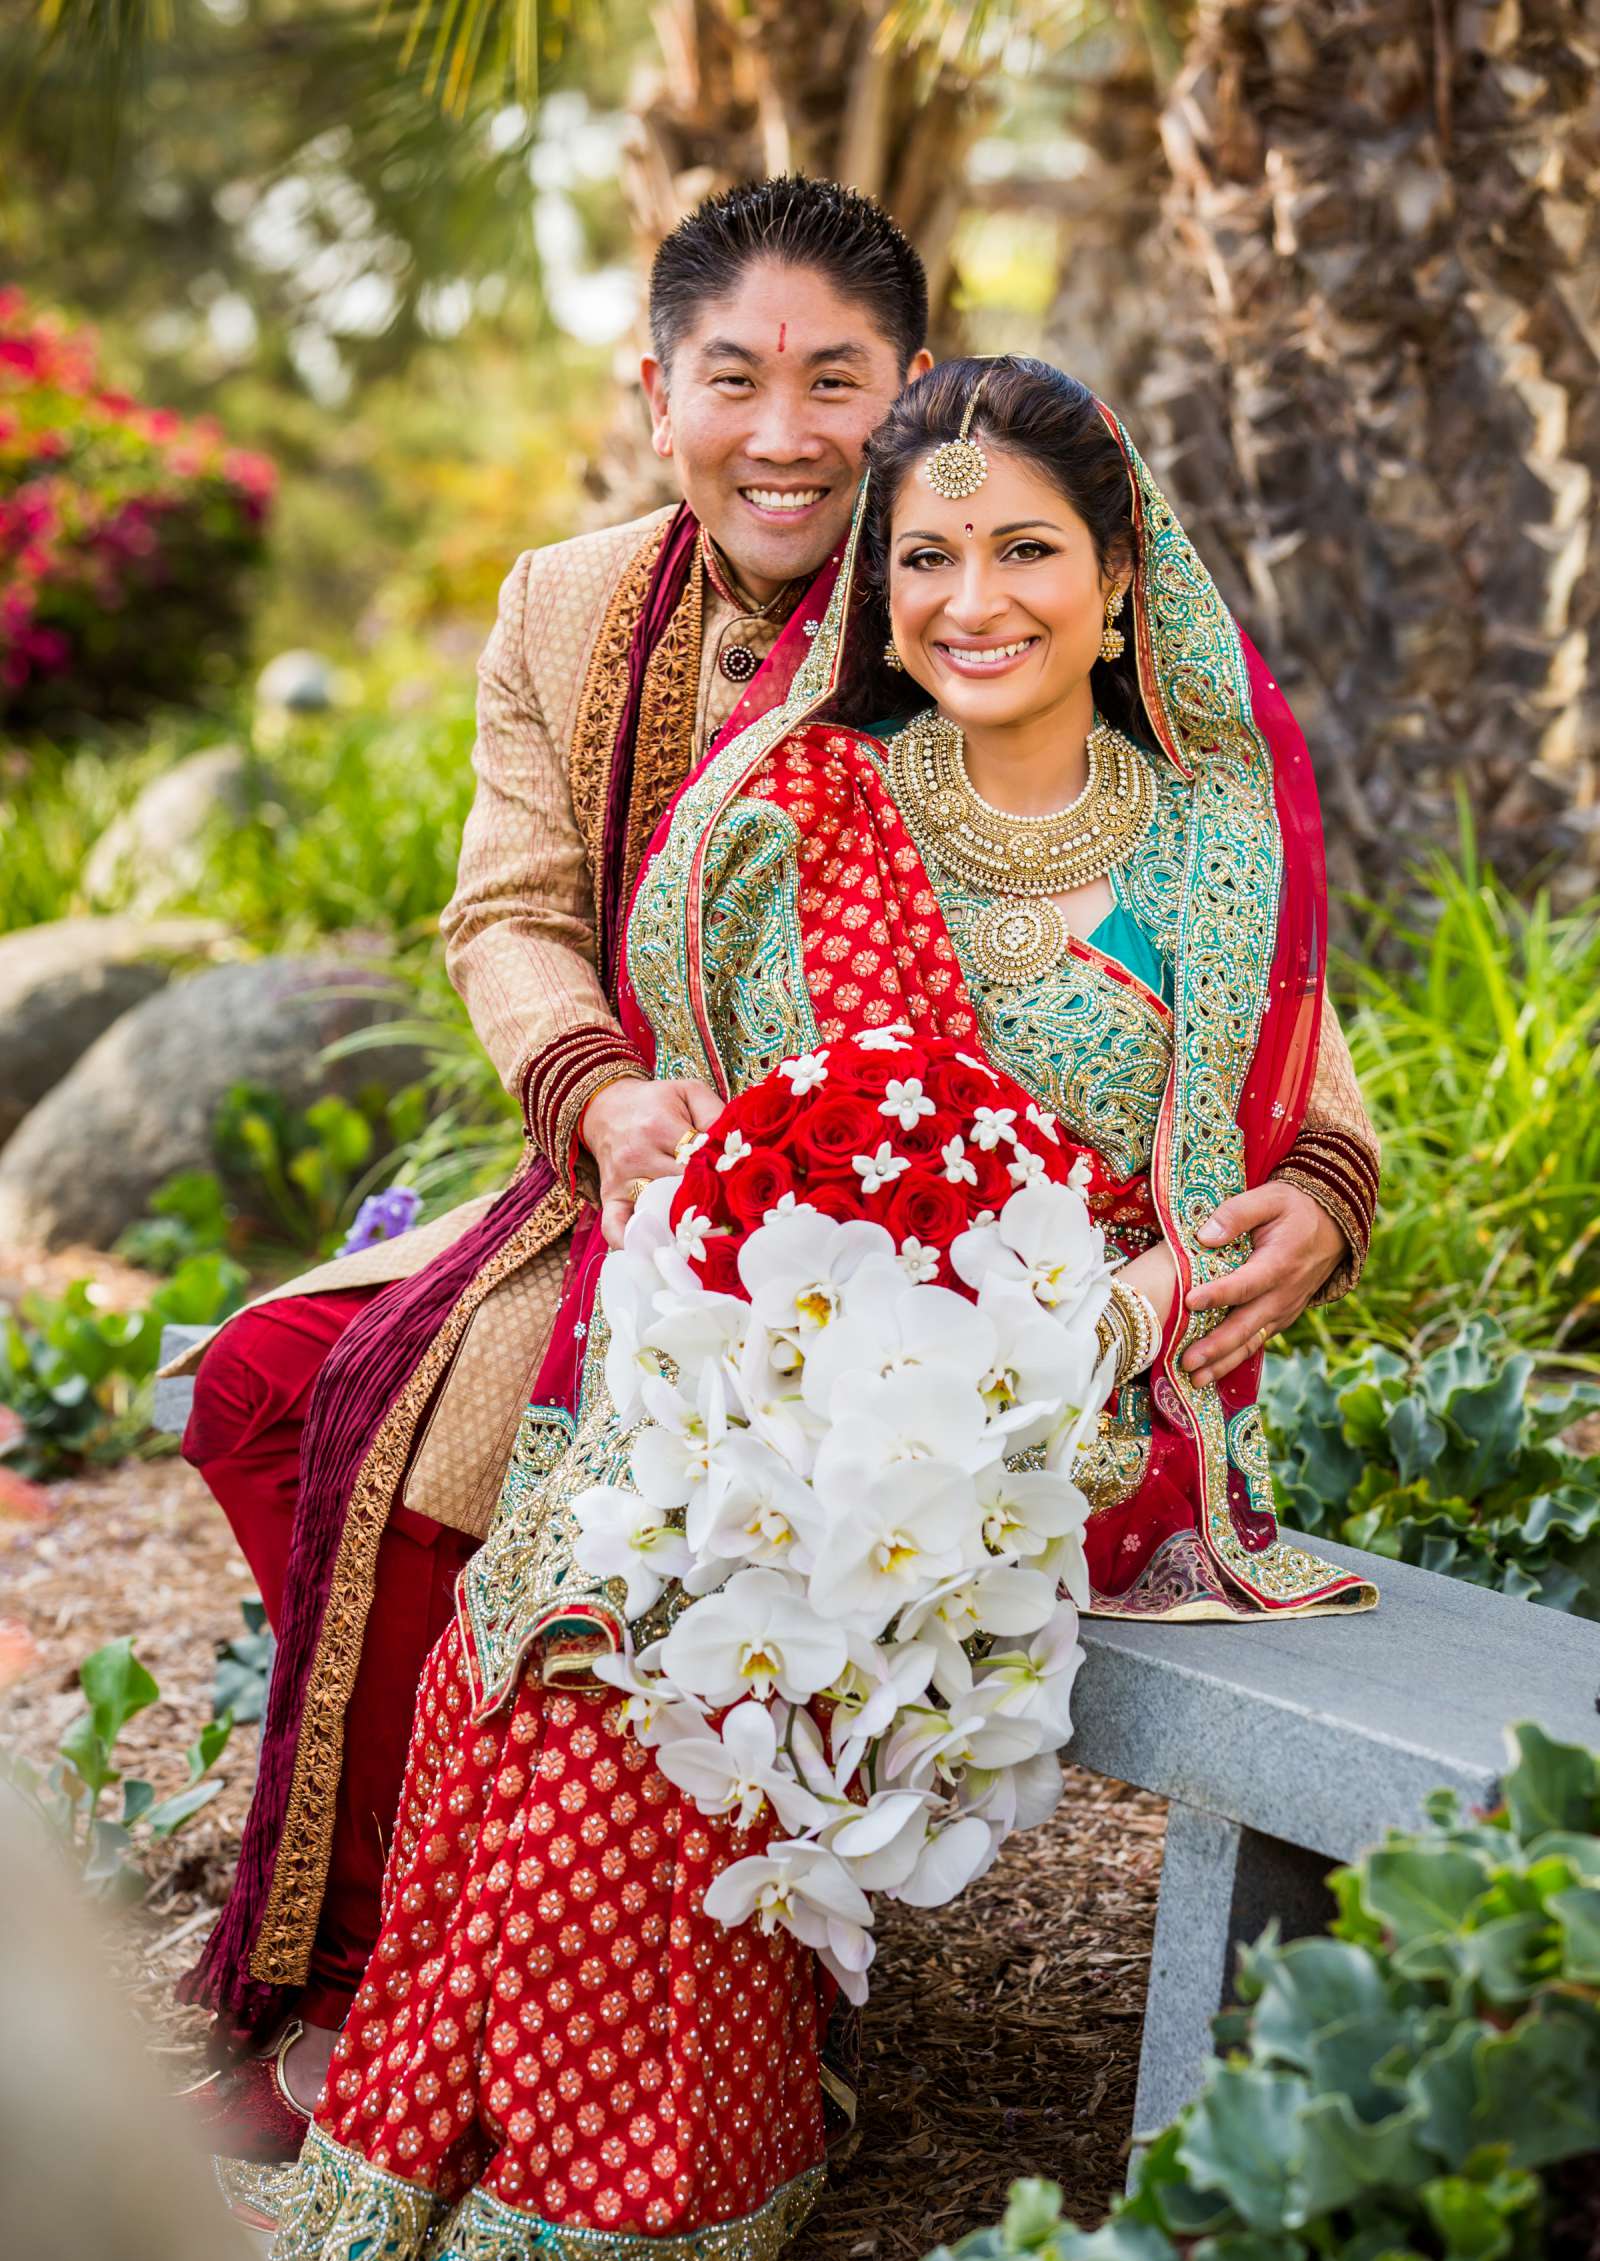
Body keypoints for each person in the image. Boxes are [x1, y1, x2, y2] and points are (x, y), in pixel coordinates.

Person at [177, 204, 1376, 2150]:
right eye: (732, 378)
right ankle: (405, 1954)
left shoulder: (1007, 595)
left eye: (837, 381)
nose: (783, 432)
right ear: (653, 396)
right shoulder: (570, 609)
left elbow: (1243, 955)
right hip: (636, 1183)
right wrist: (604, 1101)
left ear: (911, 390)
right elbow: (505, 912)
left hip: (950, 1292)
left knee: (502, 1474)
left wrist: (1321, 1181)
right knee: (268, 1393)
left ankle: (599, 2004)